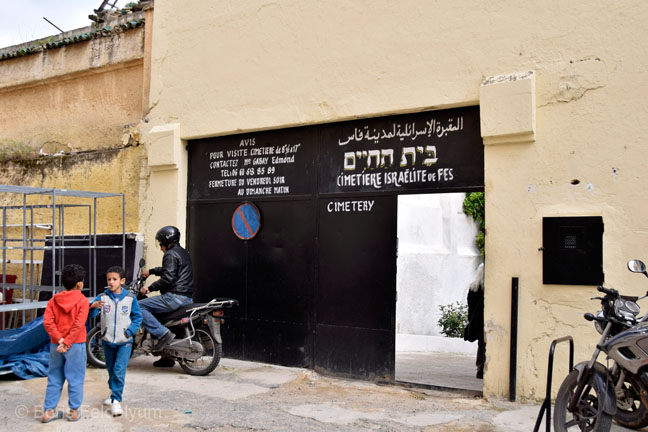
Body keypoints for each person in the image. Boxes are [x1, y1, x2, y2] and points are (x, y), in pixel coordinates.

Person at [89, 266, 142, 417]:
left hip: (124, 341)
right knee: (111, 370)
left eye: (114, 279)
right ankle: (113, 393)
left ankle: (116, 400)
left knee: (119, 370)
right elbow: (92, 314)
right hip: (107, 340)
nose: (111, 282)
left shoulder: (130, 298)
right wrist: (93, 307)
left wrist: (130, 331)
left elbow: (138, 317)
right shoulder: (102, 297)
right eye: (109, 279)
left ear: (122, 281)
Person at [139, 226, 194, 367]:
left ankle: (163, 334)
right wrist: (151, 271)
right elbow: (169, 269)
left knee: (138, 307)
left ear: (165, 241)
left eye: (161, 243)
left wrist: (149, 288)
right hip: (186, 298)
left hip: (174, 297)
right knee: (163, 318)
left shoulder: (169, 254)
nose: (161, 247)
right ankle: (167, 357)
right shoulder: (182, 252)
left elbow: (168, 277)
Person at [41, 264, 89, 423]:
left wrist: (60, 340)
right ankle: (74, 411)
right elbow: (78, 325)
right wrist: (67, 342)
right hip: (75, 344)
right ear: (80, 284)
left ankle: (48, 411)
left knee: (54, 377)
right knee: (75, 378)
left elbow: (48, 322)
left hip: (56, 344)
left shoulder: (54, 300)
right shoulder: (82, 301)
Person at [464, 262, 485, 379]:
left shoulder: (473, 288)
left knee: (481, 344)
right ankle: (482, 368)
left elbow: (470, 306)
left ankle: (480, 368)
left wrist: (470, 320)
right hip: (482, 318)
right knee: (484, 343)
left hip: (475, 320)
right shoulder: (486, 290)